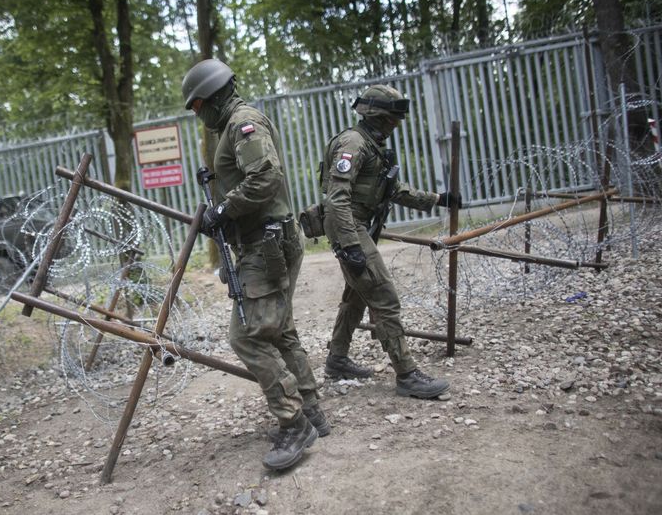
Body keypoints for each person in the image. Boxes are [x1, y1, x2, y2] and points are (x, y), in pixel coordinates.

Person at [181, 58, 328, 470]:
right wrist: (219, 186)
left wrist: (223, 209)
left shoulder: (243, 122)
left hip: (265, 245)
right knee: (280, 329)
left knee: (247, 336)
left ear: (210, 97)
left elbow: (266, 178)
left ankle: (294, 423)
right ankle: (312, 411)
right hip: (268, 241)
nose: (197, 114)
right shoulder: (231, 127)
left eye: (196, 106)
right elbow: (247, 176)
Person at [319, 84, 459, 399]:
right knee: (383, 296)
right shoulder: (353, 144)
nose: (397, 124)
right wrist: (351, 245)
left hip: (356, 227)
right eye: (393, 118)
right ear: (378, 115)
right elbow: (336, 199)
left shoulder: (374, 144)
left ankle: (337, 360)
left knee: (357, 295)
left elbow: (392, 189)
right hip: (348, 226)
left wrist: (437, 198)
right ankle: (407, 375)